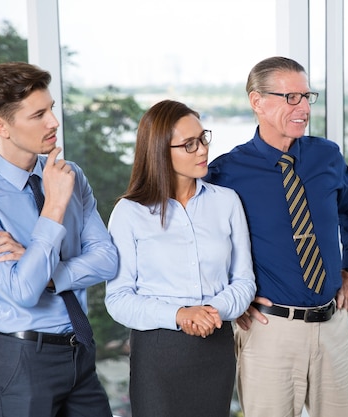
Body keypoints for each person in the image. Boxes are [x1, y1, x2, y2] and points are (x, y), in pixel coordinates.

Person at [0, 62, 118, 417]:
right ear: (0, 126)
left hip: (81, 357)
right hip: (20, 365)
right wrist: (54, 206)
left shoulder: (70, 174)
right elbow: (22, 292)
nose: (54, 123)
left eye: (52, 109)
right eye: (38, 115)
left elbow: (107, 259)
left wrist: (44, 272)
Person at [205, 56, 348, 417]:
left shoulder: (326, 155)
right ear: (257, 101)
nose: (304, 108)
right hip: (268, 331)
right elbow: (202, 243)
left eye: (308, 96)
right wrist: (231, 298)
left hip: (333, 327)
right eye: (291, 97)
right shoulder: (225, 173)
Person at [104, 99, 256, 417]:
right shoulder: (129, 213)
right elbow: (118, 299)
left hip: (215, 346)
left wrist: (214, 311)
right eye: (189, 144)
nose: (202, 150)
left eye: (203, 139)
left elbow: (243, 281)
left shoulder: (227, 202)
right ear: (160, 150)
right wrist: (180, 314)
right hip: (158, 353)